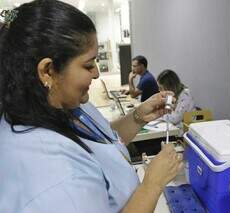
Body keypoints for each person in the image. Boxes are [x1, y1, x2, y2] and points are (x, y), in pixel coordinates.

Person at [0, 1, 183, 213]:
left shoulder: (62, 103)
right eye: (88, 65)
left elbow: (102, 141)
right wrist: (152, 184)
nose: (96, 73)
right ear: (48, 71)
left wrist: (137, 117)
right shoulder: (56, 179)